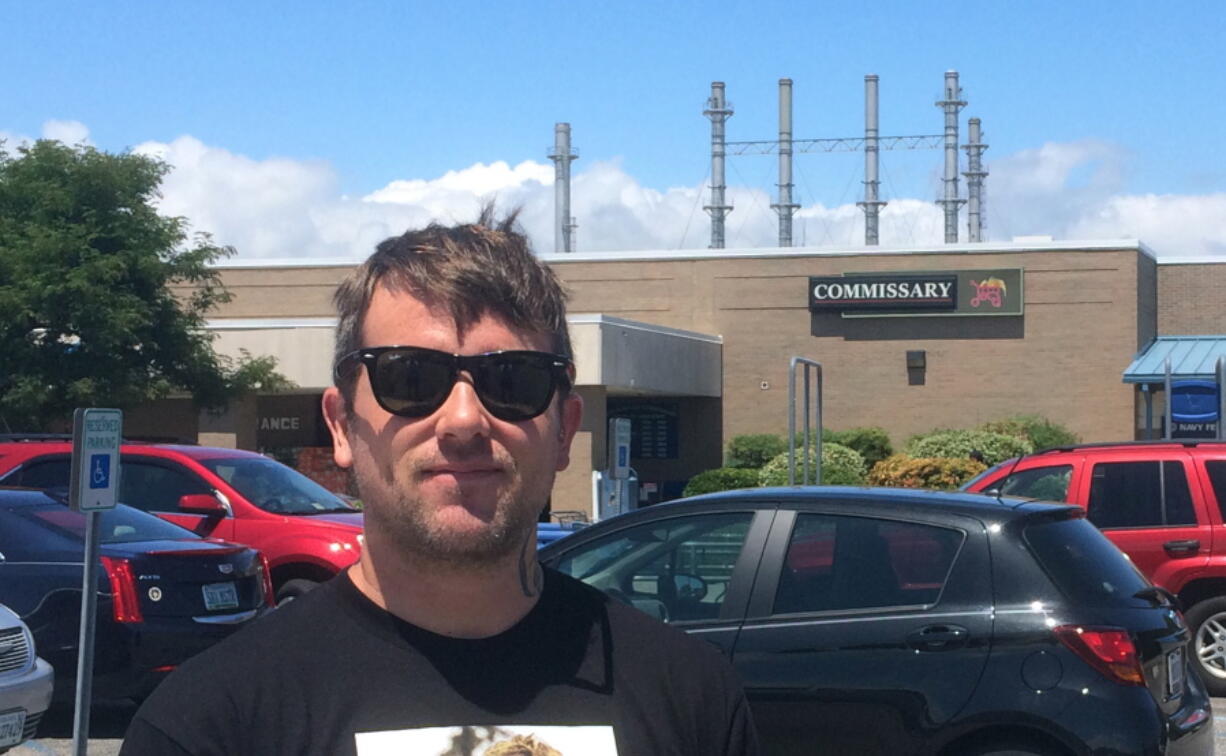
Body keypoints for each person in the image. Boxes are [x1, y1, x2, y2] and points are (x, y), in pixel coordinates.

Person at [120, 207, 760, 755]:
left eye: (512, 380)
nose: (462, 421)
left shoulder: (691, 697)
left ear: (565, 430)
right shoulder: (210, 723)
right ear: (341, 425)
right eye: (410, 377)